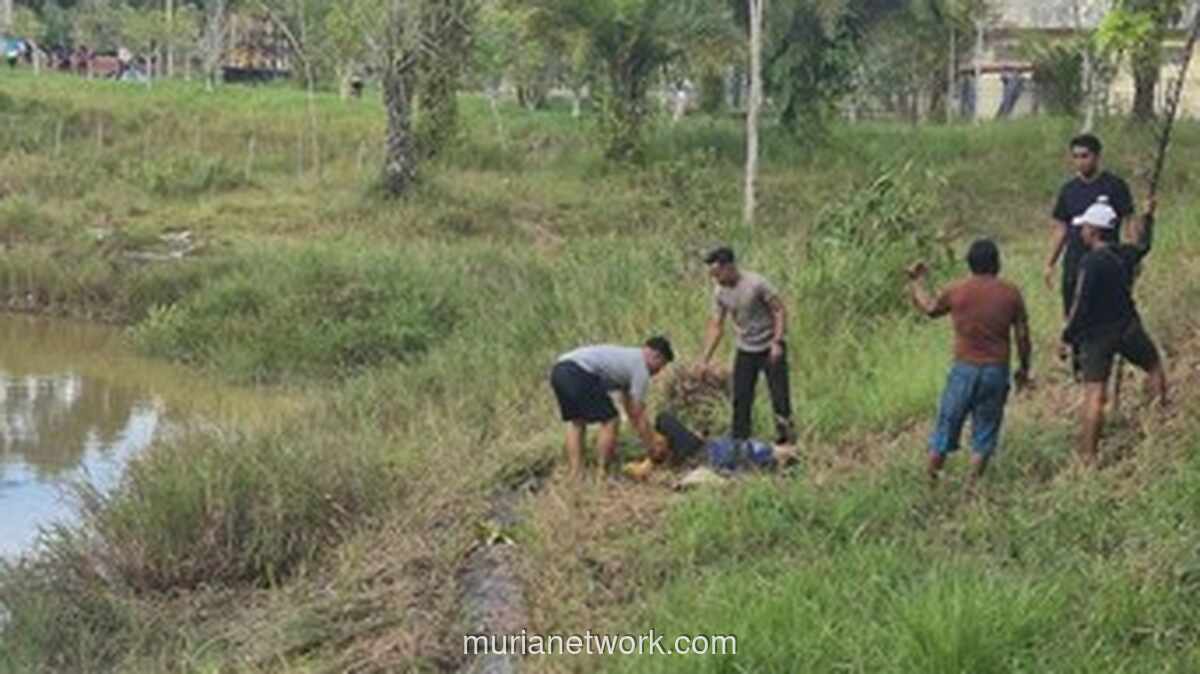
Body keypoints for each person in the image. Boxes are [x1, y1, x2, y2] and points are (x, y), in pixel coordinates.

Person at [908, 239, 1032, 485]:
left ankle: (930, 481)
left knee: (946, 426)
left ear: (970, 264)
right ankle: (972, 485)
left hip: (964, 369)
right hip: (996, 370)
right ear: (997, 263)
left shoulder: (957, 290)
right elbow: (1023, 336)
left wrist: (917, 281)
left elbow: (930, 308)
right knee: (985, 430)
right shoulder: (1011, 293)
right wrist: (1024, 368)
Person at [1061, 198, 1167, 465]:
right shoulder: (1125, 254)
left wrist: (1067, 337)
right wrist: (1149, 217)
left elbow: (1080, 304)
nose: (1082, 231)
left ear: (1094, 231)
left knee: (1094, 394)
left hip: (1096, 337)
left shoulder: (1090, 262)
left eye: (1085, 227)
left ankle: (1088, 456)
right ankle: (1158, 425)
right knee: (1154, 366)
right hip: (1128, 327)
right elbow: (1144, 245)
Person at [698, 247, 796, 446]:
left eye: (717, 273)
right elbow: (717, 325)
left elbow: (779, 311)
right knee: (741, 397)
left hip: (770, 345)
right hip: (745, 348)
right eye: (712, 275)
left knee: (779, 396)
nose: (715, 279)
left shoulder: (756, 283)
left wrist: (777, 342)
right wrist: (704, 359)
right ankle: (740, 442)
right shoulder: (719, 292)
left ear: (729, 266)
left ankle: (787, 441)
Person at [550, 337, 675, 481]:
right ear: (655, 356)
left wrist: (647, 437)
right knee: (611, 420)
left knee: (577, 422)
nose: (658, 372)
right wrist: (652, 444)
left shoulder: (627, 359)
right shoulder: (641, 367)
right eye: (661, 365)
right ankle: (602, 474)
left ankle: (576, 474)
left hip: (559, 371)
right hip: (579, 372)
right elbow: (638, 412)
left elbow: (630, 408)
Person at [1045, 134, 1135, 319]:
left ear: (1097, 156)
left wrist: (1132, 253)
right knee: (1072, 308)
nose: (1080, 162)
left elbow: (1128, 221)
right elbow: (1061, 228)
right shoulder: (1069, 190)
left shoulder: (1115, 186)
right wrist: (1050, 263)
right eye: (1075, 156)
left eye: (1085, 156)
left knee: (1106, 310)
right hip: (1075, 260)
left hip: (1106, 259)